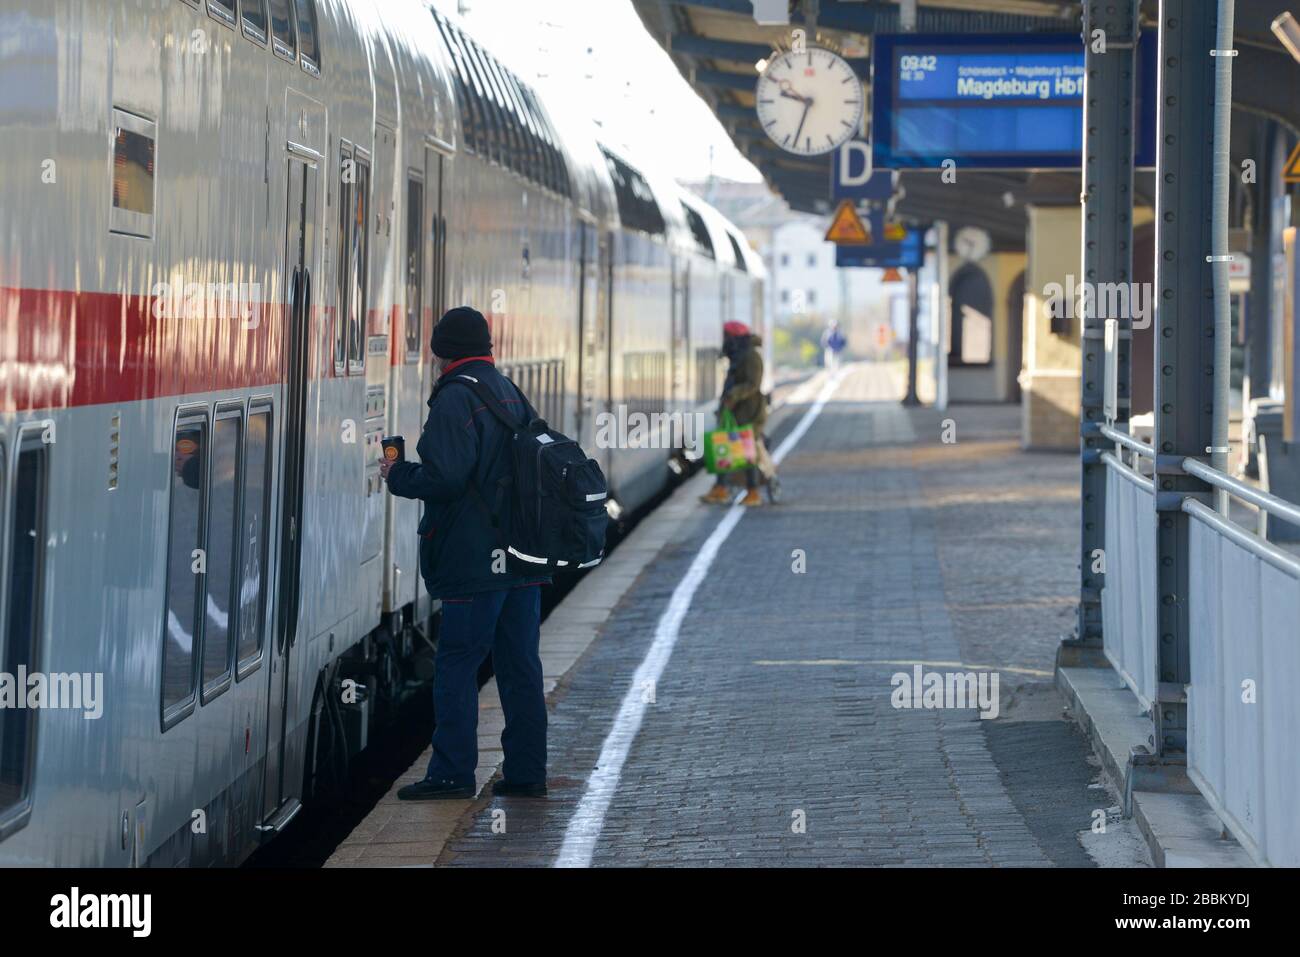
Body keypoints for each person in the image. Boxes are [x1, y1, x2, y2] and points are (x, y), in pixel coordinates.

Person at [380, 306, 550, 800]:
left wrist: (398, 475)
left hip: (476, 563)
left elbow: (447, 478)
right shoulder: (507, 390)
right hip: (521, 559)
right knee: (520, 667)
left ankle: (453, 773)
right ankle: (526, 773)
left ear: (442, 353)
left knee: (457, 663)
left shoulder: (456, 398)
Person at [701, 320, 768, 507]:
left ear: (735, 337)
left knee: (747, 452)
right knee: (724, 449)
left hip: (749, 411)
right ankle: (720, 488)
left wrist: (733, 395)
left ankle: (753, 492)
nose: (725, 340)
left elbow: (753, 384)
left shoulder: (752, 356)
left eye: (727, 336)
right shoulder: (738, 355)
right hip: (735, 410)